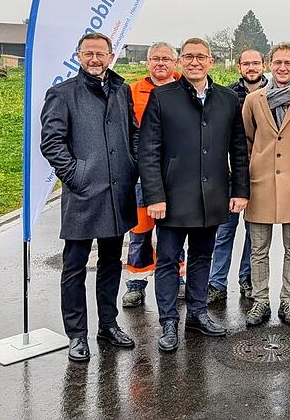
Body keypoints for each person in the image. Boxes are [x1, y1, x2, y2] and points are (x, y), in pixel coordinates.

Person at [139, 37, 249, 352]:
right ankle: (169, 322)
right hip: (172, 199)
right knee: (168, 261)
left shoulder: (228, 99)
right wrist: (154, 196)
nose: (195, 62)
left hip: (211, 196)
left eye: (201, 57)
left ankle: (198, 314)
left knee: (202, 258)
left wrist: (239, 190)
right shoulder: (163, 97)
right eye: (189, 57)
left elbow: (238, 148)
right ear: (180, 61)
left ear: (211, 61)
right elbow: (149, 151)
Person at [40, 32, 139, 362]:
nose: (95, 59)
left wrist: (133, 166)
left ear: (111, 55)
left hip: (117, 192)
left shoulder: (122, 90)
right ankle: (77, 334)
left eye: (101, 53)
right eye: (88, 54)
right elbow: (52, 143)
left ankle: (107, 324)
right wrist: (76, 175)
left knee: (111, 262)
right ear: (79, 56)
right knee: (75, 266)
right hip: (83, 193)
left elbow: (133, 134)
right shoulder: (62, 94)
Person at [242, 43, 290, 327]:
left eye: (288, 63)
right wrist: (257, 164)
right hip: (260, 181)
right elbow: (249, 138)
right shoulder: (254, 100)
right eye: (277, 62)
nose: (282, 68)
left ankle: (288, 300)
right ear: (269, 65)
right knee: (258, 248)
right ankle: (261, 300)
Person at [121, 42, 186, 308]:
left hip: (177, 175)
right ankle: (137, 283)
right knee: (139, 230)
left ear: (175, 62)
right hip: (141, 175)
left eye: (166, 59)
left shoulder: (186, 89)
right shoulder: (133, 91)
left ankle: (178, 277)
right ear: (148, 62)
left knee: (176, 229)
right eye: (155, 58)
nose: (161, 63)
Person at [207, 49, 266, 304]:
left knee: (255, 234)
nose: (251, 67)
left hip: (261, 175)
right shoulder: (227, 96)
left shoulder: (273, 94)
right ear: (239, 67)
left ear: (263, 65)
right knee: (224, 232)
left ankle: (247, 279)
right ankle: (217, 283)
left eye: (256, 63)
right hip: (230, 174)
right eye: (246, 64)